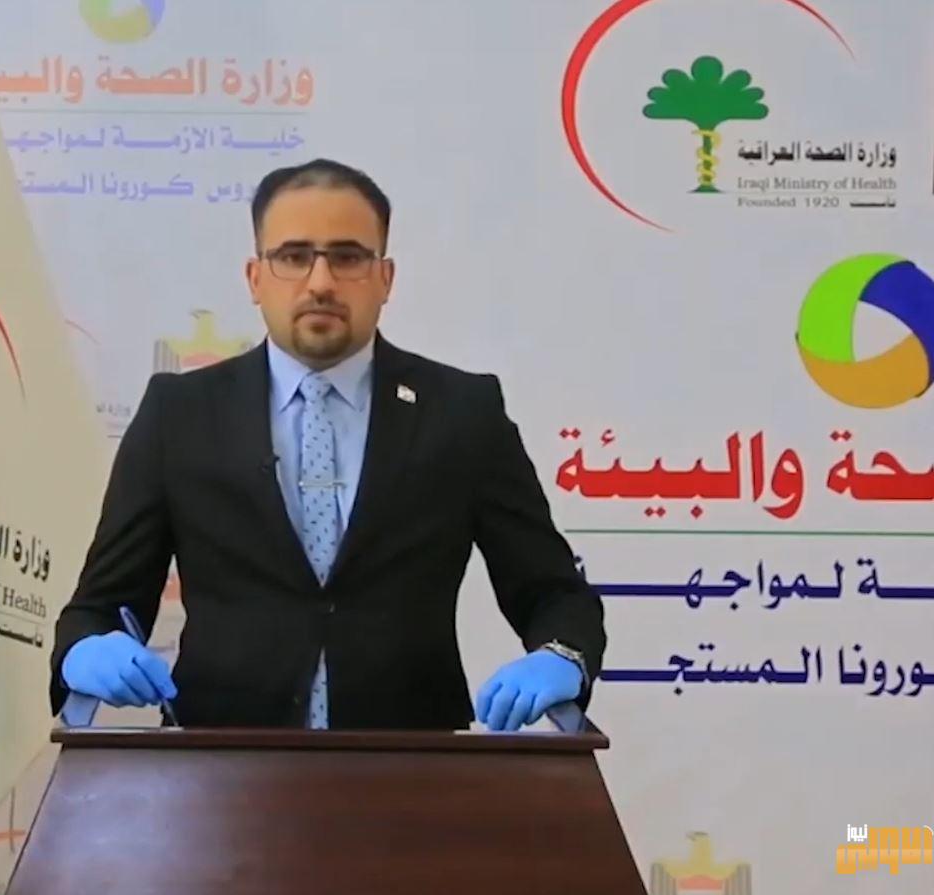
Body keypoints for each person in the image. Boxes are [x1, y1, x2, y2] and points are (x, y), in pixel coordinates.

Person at [48, 158, 605, 732]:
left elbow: (554, 593)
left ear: (385, 278)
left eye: (348, 257)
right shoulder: (179, 413)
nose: (320, 282)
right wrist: (87, 651)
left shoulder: (463, 412)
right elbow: (98, 607)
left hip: (417, 766)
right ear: (255, 278)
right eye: (293, 257)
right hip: (218, 762)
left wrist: (561, 656)